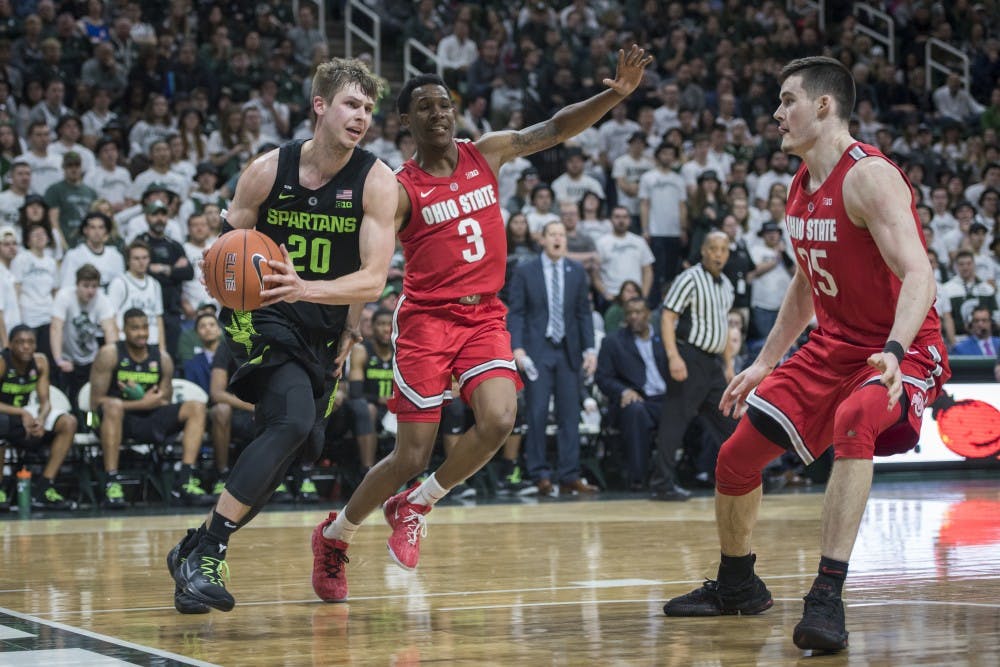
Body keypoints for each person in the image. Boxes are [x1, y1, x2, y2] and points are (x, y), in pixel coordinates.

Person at [309, 46, 652, 602]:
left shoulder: (485, 153)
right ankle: (335, 535)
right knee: (411, 455)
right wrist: (351, 328)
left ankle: (418, 504)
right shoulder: (398, 189)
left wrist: (616, 94)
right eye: (424, 107)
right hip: (426, 320)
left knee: (498, 420)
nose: (438, 113)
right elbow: (367, 267)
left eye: (445, 104)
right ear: (406, 122)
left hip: (484, 316)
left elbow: (555, 128)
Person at [662, 56, 951, 654]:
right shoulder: (801, 184)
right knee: (735, 458)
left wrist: (897, 351)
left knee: (854, 422)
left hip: (901, 345)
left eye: (787, 99)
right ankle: (738, 585)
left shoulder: (868, 176)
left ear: (823, 105)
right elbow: (806, 282)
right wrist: (766, 361)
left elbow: (920, 271)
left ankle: (827, 593)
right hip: (831, 347)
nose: (776, 113)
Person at [170, 57, 397, 614]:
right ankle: (210, 555)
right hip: (260, 315)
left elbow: (371, 277)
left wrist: (346, 330)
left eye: (368, 108)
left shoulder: (376, 180)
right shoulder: (268, 171)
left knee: (300, 442)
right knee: (293, 419)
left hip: (319, 324)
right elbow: (225, 255)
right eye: (351, 103)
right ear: (320, 106)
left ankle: (194, 547)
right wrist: (232, 277)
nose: (361, 116)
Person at [508, 220, 599, 496]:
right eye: (553, 235)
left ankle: (569, 474)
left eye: (562, 235)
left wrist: (590, 349)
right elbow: (517, 312)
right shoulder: (526, 270)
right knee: (536, 413)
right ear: (543, 240)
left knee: (569, 414)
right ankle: (539, 474)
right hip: (538, 350)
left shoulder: (576, 271)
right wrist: (518, 348)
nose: (558, 239)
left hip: (568, 350)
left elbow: (584, 313)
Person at [89, 308, 211, 509]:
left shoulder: (161, 358)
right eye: (135, 328)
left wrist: (142, 399)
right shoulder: (110, 354)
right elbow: (96, 402)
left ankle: (185, 480)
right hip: (118, 420)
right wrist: (140, 402)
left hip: (151, 419)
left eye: (145, 327)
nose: (141, 333)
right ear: (123, 329)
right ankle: (112, 482)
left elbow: (164, 400)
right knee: (113, 405)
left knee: (196, 407)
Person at [650, 231, 736, 500]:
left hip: (713, 365)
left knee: (727, 423)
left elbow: (722, 328)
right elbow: (667, 318)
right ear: (703, 251)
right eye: (713, 248)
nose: (718, 254)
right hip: (689, 356)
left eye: (723, 249)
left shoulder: (727, 286)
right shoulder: (689, 278)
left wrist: (729, 365)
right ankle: (662, 482)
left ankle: (747, 475)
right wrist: (674, 356)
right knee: (675, 421)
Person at [0, 325, 77, 511]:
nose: (26, 347)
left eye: (30, 342)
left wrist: (41, 419)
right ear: (10, 345)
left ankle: (44, 486)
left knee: (69, 422)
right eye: (20, 342)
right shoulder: (3, 362)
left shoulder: (40, 362)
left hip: (25, 414)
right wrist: (22, 413)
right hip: (6, 416)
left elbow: (45, 402)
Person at [595, 298, 669, 491]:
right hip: (638, 400)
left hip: (667, 399)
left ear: (649, 314)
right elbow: (603, 378)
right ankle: (638, 478)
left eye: (638, 312)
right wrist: (623, 390)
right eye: (629, 313)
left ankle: (702, 473)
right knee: (635, 412)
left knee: (697, 408)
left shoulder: (665, 338)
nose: (634, 317)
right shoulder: (613, 342)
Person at [50, 264, 117, 410]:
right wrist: (58, 359)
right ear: (77, 285)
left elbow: (110, 330)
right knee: (68, 400)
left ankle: (90, 427)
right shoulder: (64, 296)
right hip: (67, 358)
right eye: (86, 286)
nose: (90, 291)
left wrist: (111, 362)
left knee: (89, 400)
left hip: (91, 359)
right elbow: (56, 328)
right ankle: (72, 427)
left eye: (94, 286)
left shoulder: (102, 300)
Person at [345, 307, 394, 475]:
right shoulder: (362, 350)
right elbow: (356, 392)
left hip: (395, 408)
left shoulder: (402, 351)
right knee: (367, 409)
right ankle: (368, 471)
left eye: (390, 324)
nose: (386, 329)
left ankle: (416, 473)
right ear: (372, 327)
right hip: (367, 406)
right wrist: (380, 399)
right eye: (381, 324)